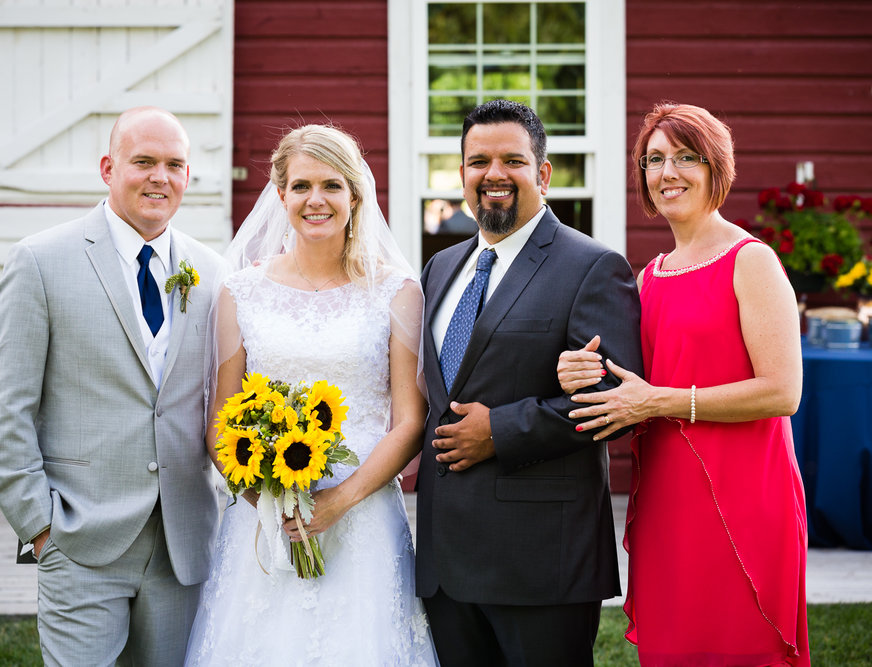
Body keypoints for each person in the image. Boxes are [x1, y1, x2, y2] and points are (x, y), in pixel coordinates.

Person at [558, 102, 810, 665]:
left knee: (741, 644)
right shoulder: (647, 277)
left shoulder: (752, 261)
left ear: (716, 168)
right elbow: (633, 385)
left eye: (685, 157)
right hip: (668, 498)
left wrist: (661, 400)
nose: (667, 172)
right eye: (654, 159)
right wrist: (575, 371)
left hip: (746, 493)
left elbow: (783, 391)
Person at [184, 124, 438, 666]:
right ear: (280, 196)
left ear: (355, 196)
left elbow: (409, 421)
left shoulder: (397, 291)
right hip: (265, 522)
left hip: (364, 517)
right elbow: (220, 423)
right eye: (300, 186)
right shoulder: (240, 292)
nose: (315, 200)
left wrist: (335, 504)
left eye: (331, 185)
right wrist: (271, 505)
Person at [0, 107, 227, 665]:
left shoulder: (212, 273)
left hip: (182, 547)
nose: (159, 177)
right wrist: (41, 529)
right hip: (80, 539)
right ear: (107, 168)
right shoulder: (39, 262)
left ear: (188, 176)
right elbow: (5, 409)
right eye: (143, 162)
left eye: (174, 164)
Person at [416, 99, 642, 665]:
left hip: (541, 559)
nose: (493, 175)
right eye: (477, 162)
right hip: (446, 563)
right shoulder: (441, 268)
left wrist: (499, 430)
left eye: (511, 160)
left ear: (542, 173)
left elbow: (611, 401)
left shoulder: (593, 266)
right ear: (462, 173)